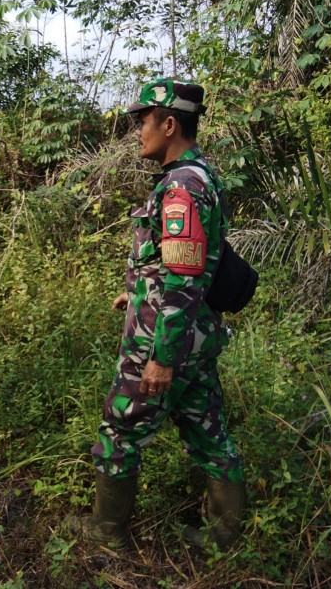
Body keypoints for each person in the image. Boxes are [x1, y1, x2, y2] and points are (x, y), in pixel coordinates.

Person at [67, 80, 245, 550]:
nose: (138, 132)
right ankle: (225, 536)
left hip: (166, 340)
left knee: (120, 428)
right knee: (206, 429)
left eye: (142, 121)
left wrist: (162, 357)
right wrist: (136, 292)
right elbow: (180, 263)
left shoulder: (182, 187)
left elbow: (184, 277)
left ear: (169, 125)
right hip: (196, 332)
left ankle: (107, 534)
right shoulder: (200, 175)